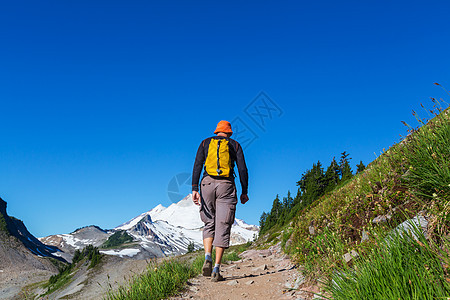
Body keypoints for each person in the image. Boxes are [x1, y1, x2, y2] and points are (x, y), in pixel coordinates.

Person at [192, 120, 249, 282]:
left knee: (209, 222)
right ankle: (216, 269)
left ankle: (207, 256)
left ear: (216, 131)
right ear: (229, 132)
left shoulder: (205, 143)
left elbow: (197, 165)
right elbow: (242, 169)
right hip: (226, 185)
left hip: (207, 183)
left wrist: (195, 189)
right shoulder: (234, 145)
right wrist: (245, 191)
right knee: (223, 225)